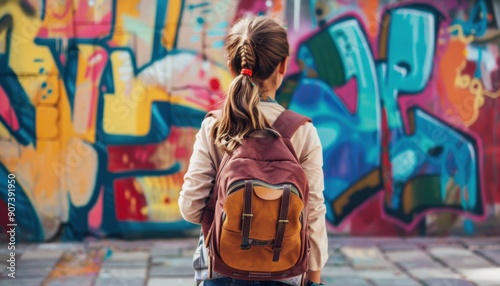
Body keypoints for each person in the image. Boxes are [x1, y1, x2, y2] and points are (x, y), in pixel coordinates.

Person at [178, 16, 328, 286]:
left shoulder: (216, 127)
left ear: (232, 67)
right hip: (286, 268)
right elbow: (313, 212)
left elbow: (190, 208)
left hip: (221, 268)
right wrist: (314, 278)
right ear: (283, 65)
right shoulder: (302, 131)